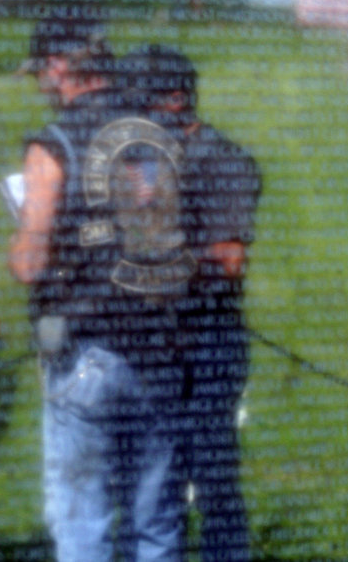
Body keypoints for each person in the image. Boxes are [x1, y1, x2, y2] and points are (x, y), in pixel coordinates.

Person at [9, 17, 190, 561]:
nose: (42, 82)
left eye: (42, 71)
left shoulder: (53, 144)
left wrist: (21, 242)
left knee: (82, 519)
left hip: (88, 351)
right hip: (162, 344)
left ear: (61, 67)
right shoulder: (156, 130)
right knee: (155, 519)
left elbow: (30, 262)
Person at [120, 45, 261, 562]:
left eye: (138, 105)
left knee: (212, 473)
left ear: (176, 99)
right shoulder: (144, 162)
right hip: (154, 339)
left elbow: (228, 259)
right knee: (153, 476)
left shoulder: (222, 160)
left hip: (208, 340)